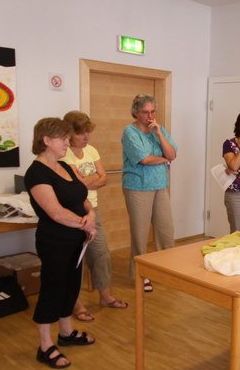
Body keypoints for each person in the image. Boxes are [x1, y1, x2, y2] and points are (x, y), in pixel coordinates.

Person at [25, 117, 97, 369]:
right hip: (54, 241)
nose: (68, 142)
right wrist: (85, 224)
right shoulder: (36, 173)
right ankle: (45, 346)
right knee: (52, 290)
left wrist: (91, 215)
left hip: (77, 239)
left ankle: (66, 332)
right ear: (46, 140)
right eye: (63, 138)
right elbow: (55, 212)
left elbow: (82, 198)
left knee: (71, 287)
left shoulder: (64, 166)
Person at [61, 110, 128, 321]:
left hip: (93, 210)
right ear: (69, 133)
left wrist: (86, 181)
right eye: (81, 133)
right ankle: (75, 304)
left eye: (88, 132)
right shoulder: (63, 154)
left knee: (101, 253)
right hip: (72, 211)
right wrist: (91, 179)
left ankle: (105, 296)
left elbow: (103, 178)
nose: (86, 137)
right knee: (75, 259)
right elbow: (77, 184)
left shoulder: (91, 150)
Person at [121, 94, 177, 292]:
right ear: (136, 112)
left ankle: (166, 269)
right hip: (137, 187)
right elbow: (144, 159)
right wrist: (164, 159)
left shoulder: (159, 129)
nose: (150, 116)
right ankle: (140, 274)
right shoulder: (129, 132)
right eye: (145, 112)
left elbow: (172, 154)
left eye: (153, 111)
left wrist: (160, 134)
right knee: (140, 233)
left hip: (160, 185)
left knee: (166, 231)